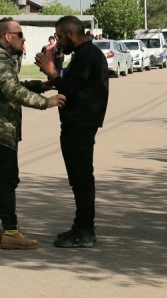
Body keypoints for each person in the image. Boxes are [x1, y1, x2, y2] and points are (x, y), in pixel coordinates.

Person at [0, 17, 65, 250]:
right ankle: (10, 231)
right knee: (7, 178)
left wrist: (40, 86)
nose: (24, 38)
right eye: (20, 34)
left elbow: (10, 84)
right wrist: (45, 102)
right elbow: (11, 90)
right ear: (8, 36)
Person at [34, 15, 109, 248]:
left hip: (80, 125)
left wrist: (53, 72)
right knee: (79, 179)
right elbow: (73, 87)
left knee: (82, 179)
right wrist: (53, 74)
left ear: (72, 34)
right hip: (78, 123)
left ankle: (86, 230)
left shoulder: (87, 55)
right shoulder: (84, 54)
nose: (57, 41)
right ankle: (81, 226)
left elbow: (72, 92)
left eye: (59, 36)